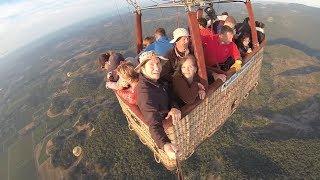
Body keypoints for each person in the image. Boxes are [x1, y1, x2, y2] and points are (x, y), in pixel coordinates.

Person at [135, 50, 181, 160]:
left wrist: (174, 107)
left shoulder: (154, 80)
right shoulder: (145, 94)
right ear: (142, 68)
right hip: (166, 124)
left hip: (169, 110)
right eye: (151, 64)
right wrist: (165, 144)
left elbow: (168, 94)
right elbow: (154, 124)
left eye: (158, 63)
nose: (156, 68)